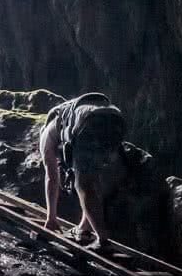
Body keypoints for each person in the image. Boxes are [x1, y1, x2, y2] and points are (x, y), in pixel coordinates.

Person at [39, 92, 127, 250]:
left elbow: (52, 177)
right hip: (116, 119)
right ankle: (85, 227)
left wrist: (51, 218)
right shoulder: (66, 117)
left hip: (90, 122)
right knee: (94, 181)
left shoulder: (46, 135)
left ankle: (102, 240)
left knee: (83, 185)